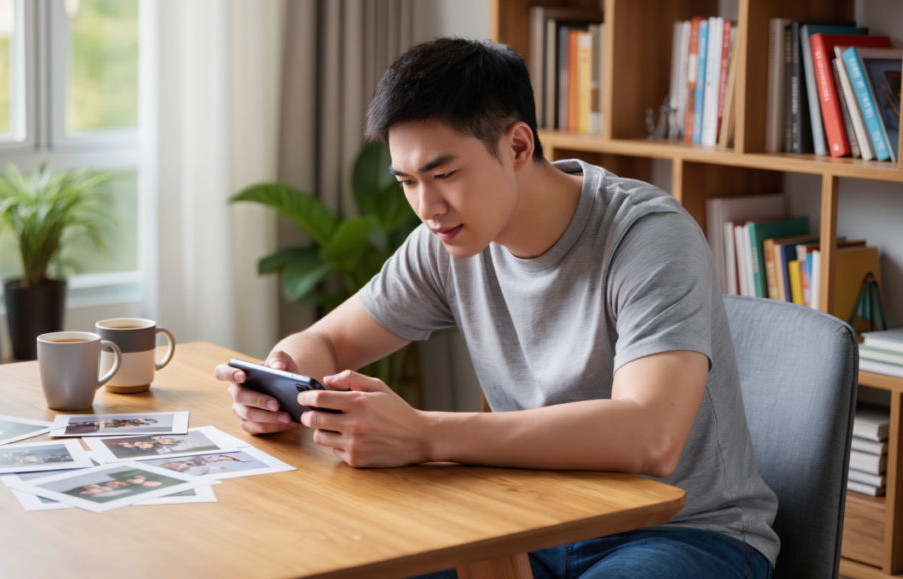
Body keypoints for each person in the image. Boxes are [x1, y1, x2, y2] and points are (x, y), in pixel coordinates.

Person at [215, 38, 778, 578]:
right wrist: (283, 380)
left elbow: (651, 436)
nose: (427, 207)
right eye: (408, 181)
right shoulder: (446, 243)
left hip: (682, 531)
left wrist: (424, 435)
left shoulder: (648, 237)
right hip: (528, 521)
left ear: (517, 147)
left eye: (444, 174)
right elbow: (326, 340)